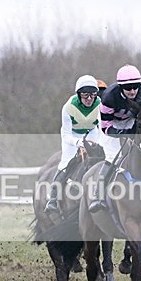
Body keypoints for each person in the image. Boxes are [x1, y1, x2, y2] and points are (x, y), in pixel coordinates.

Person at [88, 64, 141, 213]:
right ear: (121, 87)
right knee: (113, 157)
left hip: (131, 120)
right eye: (128, 87)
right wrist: (123, 134)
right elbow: (106, 127)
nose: (132, 91)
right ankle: (97, 196)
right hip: (110, 122)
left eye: (135, 86)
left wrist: (135, 132)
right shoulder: (109, 97)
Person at [45, 75, 102, 213]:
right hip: (72, 135)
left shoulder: (100, 103)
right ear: (79, 94)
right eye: (85, 95)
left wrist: (97, 141)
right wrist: (79, 143)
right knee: (65, 162)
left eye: (92, 95)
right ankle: (52, 199)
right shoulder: (68, 107)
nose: (89, 99)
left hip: (92, 132)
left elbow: (101, 127)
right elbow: (66, 135)